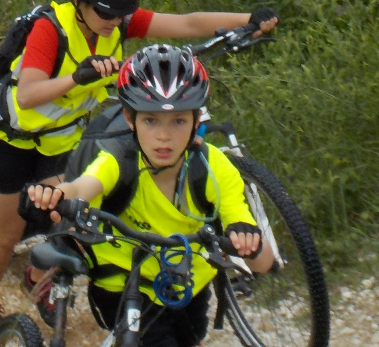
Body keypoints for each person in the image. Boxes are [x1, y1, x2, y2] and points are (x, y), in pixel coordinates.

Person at [0, 0, 278, 334]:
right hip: (10, 138)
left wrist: (248, 18)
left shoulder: (116, 21)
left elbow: (186, 23)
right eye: (104, 13)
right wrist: (78, 75)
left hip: (60, 138)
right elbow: (28, 95)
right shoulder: (51, 30)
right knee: (9, 230)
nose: (115, 21)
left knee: (65, 215)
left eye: (121, 14)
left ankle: (36, 276)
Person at [29, 44, 274, 346]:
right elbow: (83, 186)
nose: (163, 136)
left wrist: (248, 242)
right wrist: (55, 195)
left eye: (179, 121)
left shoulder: (213, 169)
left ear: (198, 121)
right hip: (119, 284)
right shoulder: (118, 160)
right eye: (150, 120)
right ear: (130, 120)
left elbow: (259, 255)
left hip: (185, 289)